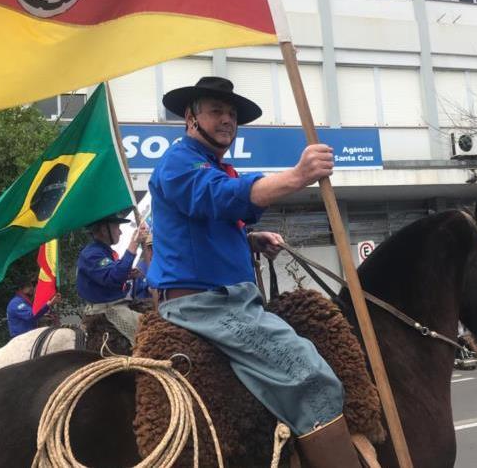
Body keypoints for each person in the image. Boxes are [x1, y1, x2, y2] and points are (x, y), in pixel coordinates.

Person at [148, 76, 359, 467]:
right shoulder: (179, 161)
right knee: (313, 378)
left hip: (230, 302)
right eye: (216, 110)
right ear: (190, 118)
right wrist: (297, 176)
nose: (227, 119)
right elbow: (220, 197)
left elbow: (206, 225)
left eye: (232, 114)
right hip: (205, 306)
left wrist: (249, 240)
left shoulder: (215, 165)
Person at [76, 215, 149, 345]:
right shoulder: (91, 254)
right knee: (149, 335)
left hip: (118, 305)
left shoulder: (104, 251)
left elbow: (112, 275)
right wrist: (134, 243)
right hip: (107, 309)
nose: (120, 232)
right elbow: (113, 278)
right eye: (117, 227)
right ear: (104, 230)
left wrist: (127, 274)